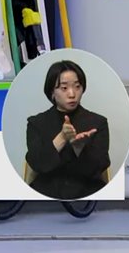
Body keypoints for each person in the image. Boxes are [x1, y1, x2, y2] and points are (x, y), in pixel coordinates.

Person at [25, 60, 111, 200]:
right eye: (64, 88)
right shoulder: (36, 123)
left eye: (77, 86)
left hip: (87, 195)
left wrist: (79, 147)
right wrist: (62, 138)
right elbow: (37, 164)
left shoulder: (98, 123)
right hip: (45, 195)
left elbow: (101, 166)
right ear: (52, 92)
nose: (72, 94)